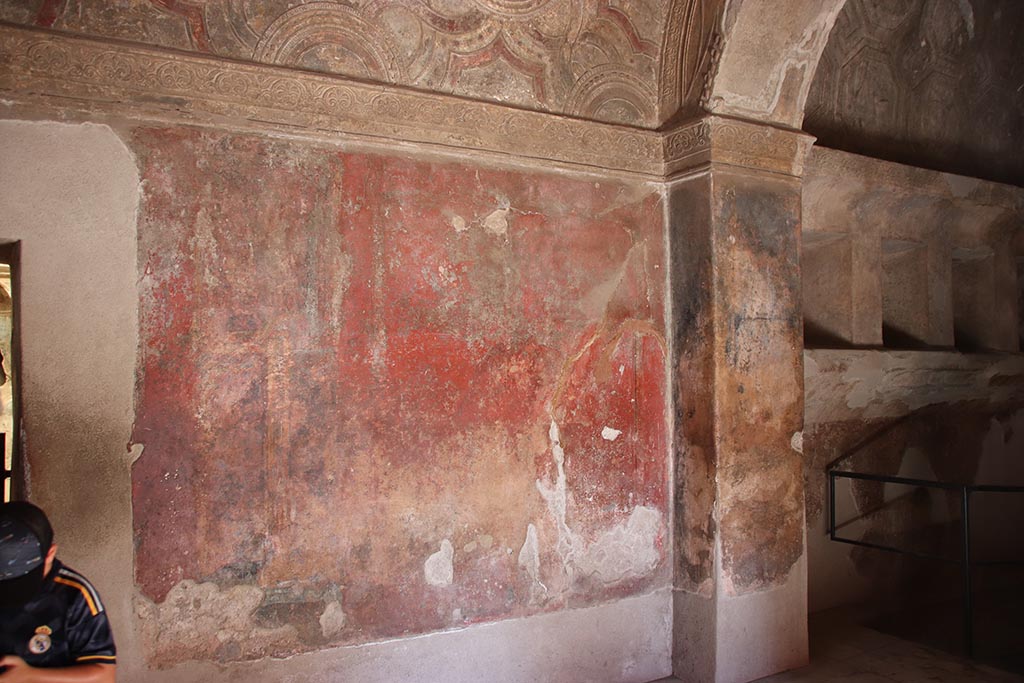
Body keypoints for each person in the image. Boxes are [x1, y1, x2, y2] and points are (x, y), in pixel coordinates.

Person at [0, 502, 115, 682]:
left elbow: (104, 675)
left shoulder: (74, 595)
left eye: (21, 583)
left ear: (50, 553)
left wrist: (30, 676)